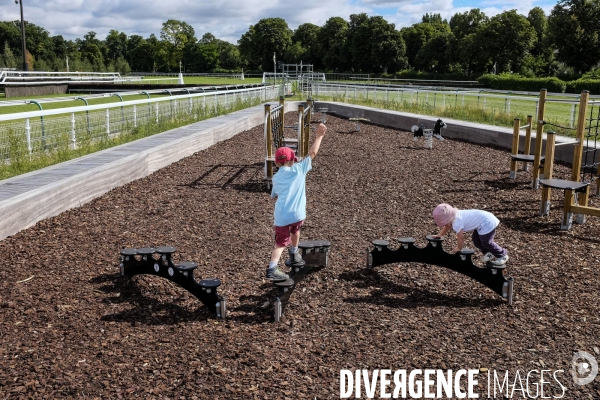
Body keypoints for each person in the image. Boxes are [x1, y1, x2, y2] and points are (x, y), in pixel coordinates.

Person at [266, 123, 327, 281]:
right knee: (296, 230)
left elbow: (274, 195)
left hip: (282, 217)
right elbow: (312, 153)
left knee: (280, 244)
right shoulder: (299, 169)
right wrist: (319, 135)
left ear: (277, 163)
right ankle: (293, 253)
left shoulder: (277, 177)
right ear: (293, 160)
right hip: (298, 214)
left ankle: (273, 267)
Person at [432, 203, 509, 266]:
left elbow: (461, 237)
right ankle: (489, 253)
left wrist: (459, 248)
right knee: (476, 240)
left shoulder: (456, 222)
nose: (445, 225)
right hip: (482, 221)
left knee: (486, 242)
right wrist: (440, 235)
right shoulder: (454, 217)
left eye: (444, 223)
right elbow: (447, 227)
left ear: (448, 220)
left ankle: (502, 254)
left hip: (487, 222)